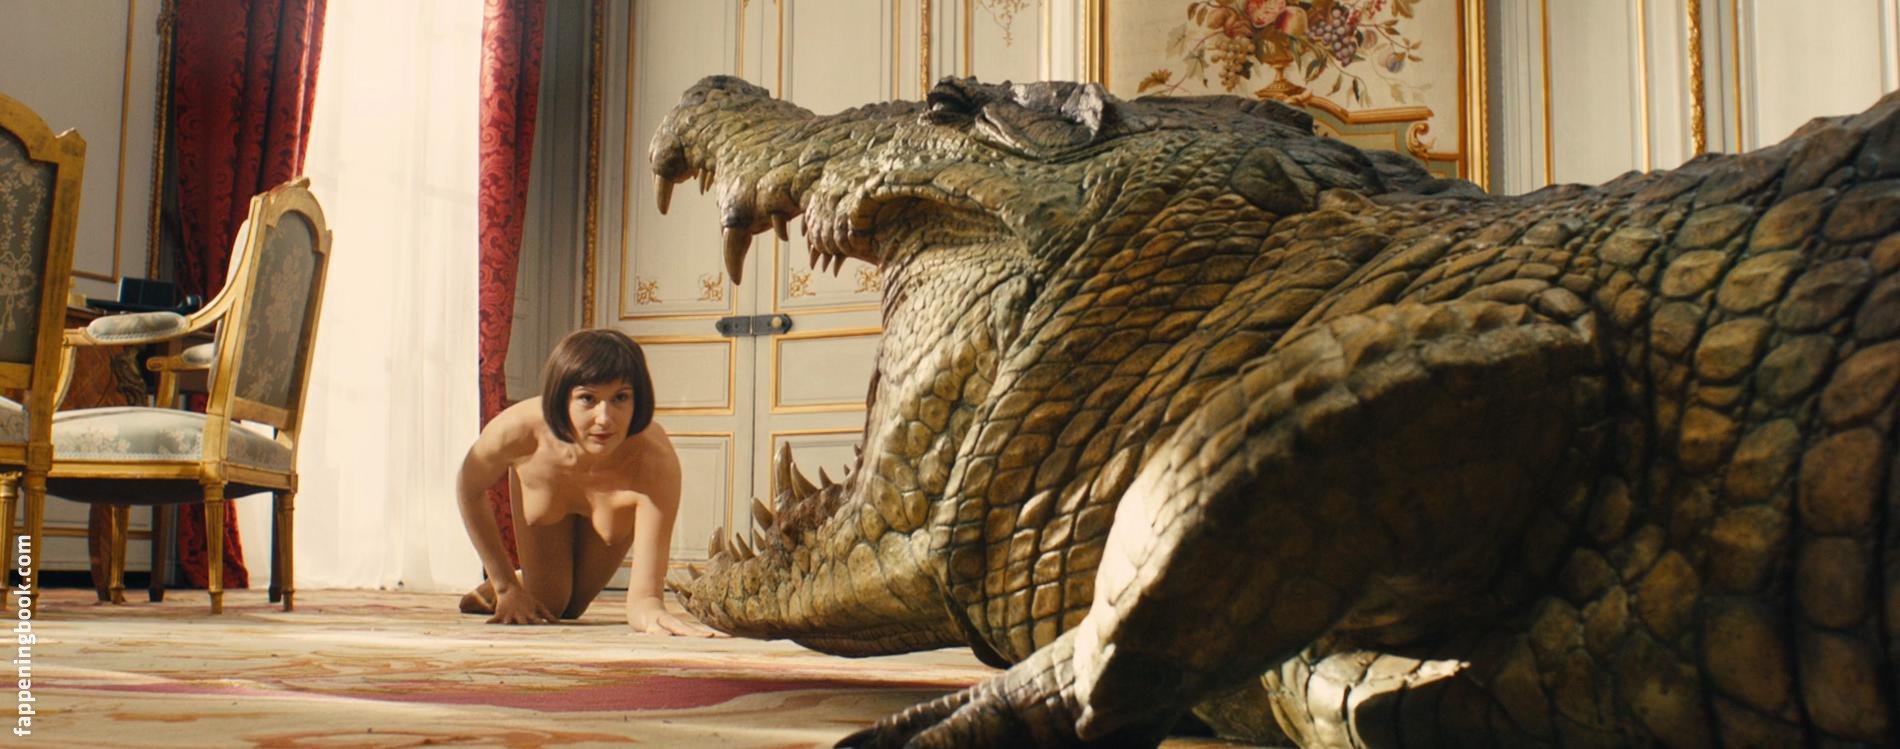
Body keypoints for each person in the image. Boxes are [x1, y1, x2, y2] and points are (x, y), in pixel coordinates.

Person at [455, 328, 718, 636]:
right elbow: (469, 488)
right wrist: (505, 586)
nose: (604, 418)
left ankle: (526, 578)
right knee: (550, 604)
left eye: (620, 398)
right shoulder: (516, 430)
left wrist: (654, 615)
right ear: (560, 398)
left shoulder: (654, 459)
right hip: (547, 497)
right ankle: (516, 582)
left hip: (608, 516)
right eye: (587, 399)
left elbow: (644, 599)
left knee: (572, 608)